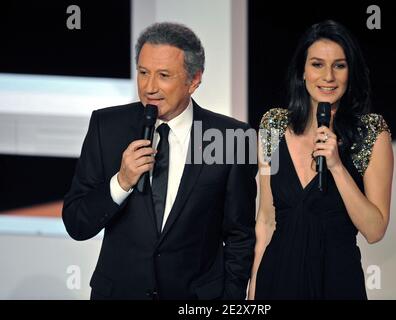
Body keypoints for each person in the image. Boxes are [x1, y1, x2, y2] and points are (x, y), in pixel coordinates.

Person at [63, 22, 257, 300]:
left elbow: (240, 236)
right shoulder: (106, 127)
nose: (149, 87)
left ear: (194, 80)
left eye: (163, 75)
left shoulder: (232, 137)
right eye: (143, 73)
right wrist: (121, 182)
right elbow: (76, 222)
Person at [248, 20, 394, 299]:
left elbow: (375, 230)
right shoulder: (273, 125)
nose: (328, 76)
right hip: (276, 279)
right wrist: (254, 287)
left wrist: (338, 167)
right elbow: (266, 219)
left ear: (350, 72)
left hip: (336, 280)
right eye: (317, 64)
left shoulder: (372, 132)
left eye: (339, 65)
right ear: (302, 71)